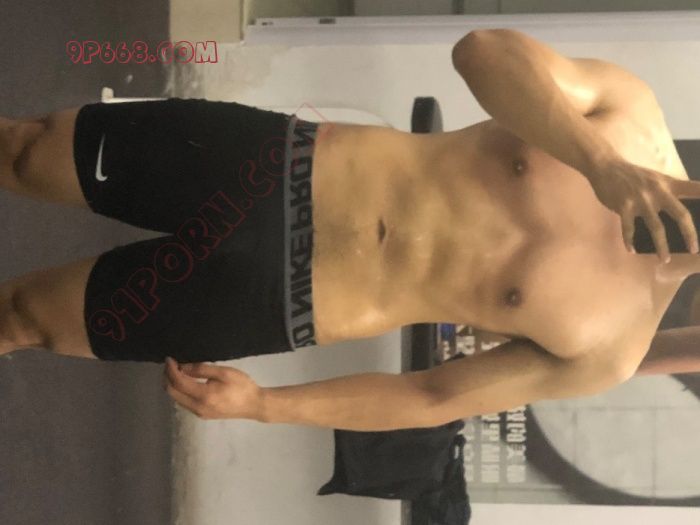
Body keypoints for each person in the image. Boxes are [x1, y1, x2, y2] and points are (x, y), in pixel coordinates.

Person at [1, 29, 699, 431]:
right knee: (25, 152)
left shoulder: (613, 344)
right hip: (275, 167)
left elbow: (433, 398)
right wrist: (599, 162)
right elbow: (481, 52)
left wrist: (266, 406)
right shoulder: (629, 119)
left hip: (279, 299)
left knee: (26, 318)